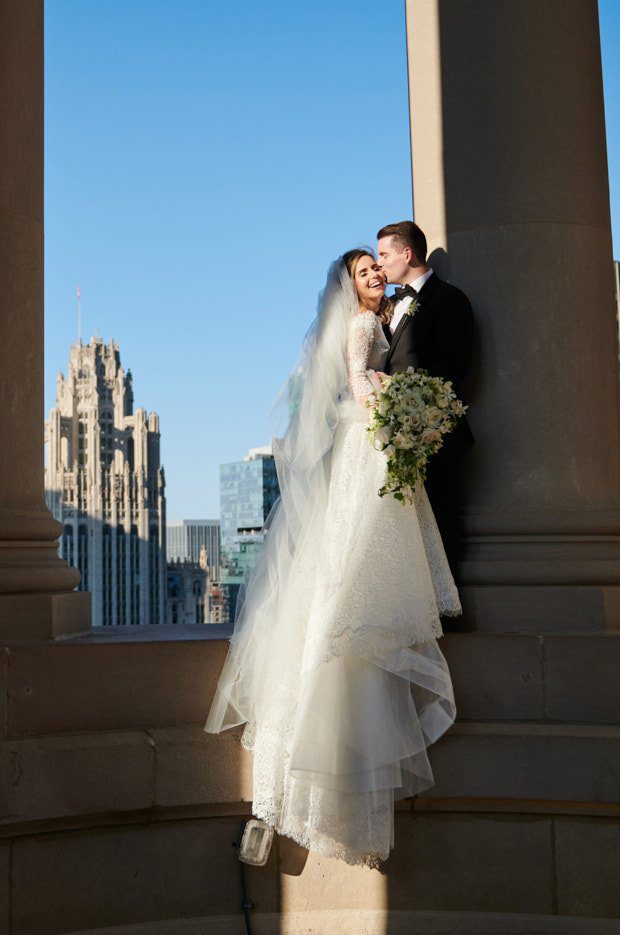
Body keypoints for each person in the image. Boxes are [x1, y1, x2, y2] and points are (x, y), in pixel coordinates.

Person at [205, 247, 459, 868]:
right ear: (350, 286)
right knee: (356, 555)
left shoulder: (391, 313)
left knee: (350, 557)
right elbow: (358, 378)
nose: (374, 277)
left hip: (366, 439)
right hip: (368, 437)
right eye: (364, 273)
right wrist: (398, 416)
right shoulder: (361, 324)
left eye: (378, 268)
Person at [376, 221, 475, 582]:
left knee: (439, 524)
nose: (379, 263)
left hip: (434, 437)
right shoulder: (386, 306)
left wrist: (398, 390)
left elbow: (454, 367)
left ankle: (444, 617)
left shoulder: (449, 300)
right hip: (394, 438)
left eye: (384, 254)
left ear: (407, 253)